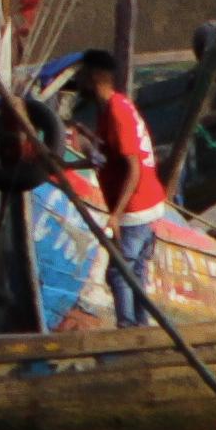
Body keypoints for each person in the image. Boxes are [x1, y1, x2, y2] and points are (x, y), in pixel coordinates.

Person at [62, 44, 166, 329]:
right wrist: (88, 142)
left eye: (81, 75)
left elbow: (132, 168)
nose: (78, 82)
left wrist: (116, 215)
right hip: (147, 205)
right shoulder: (113, 106)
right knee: (136, 273)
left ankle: (128, 328)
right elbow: (113, 154)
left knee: (120, 274)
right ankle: (140, 328)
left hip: (135, 208)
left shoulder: (117, 111)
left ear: (94, 77)